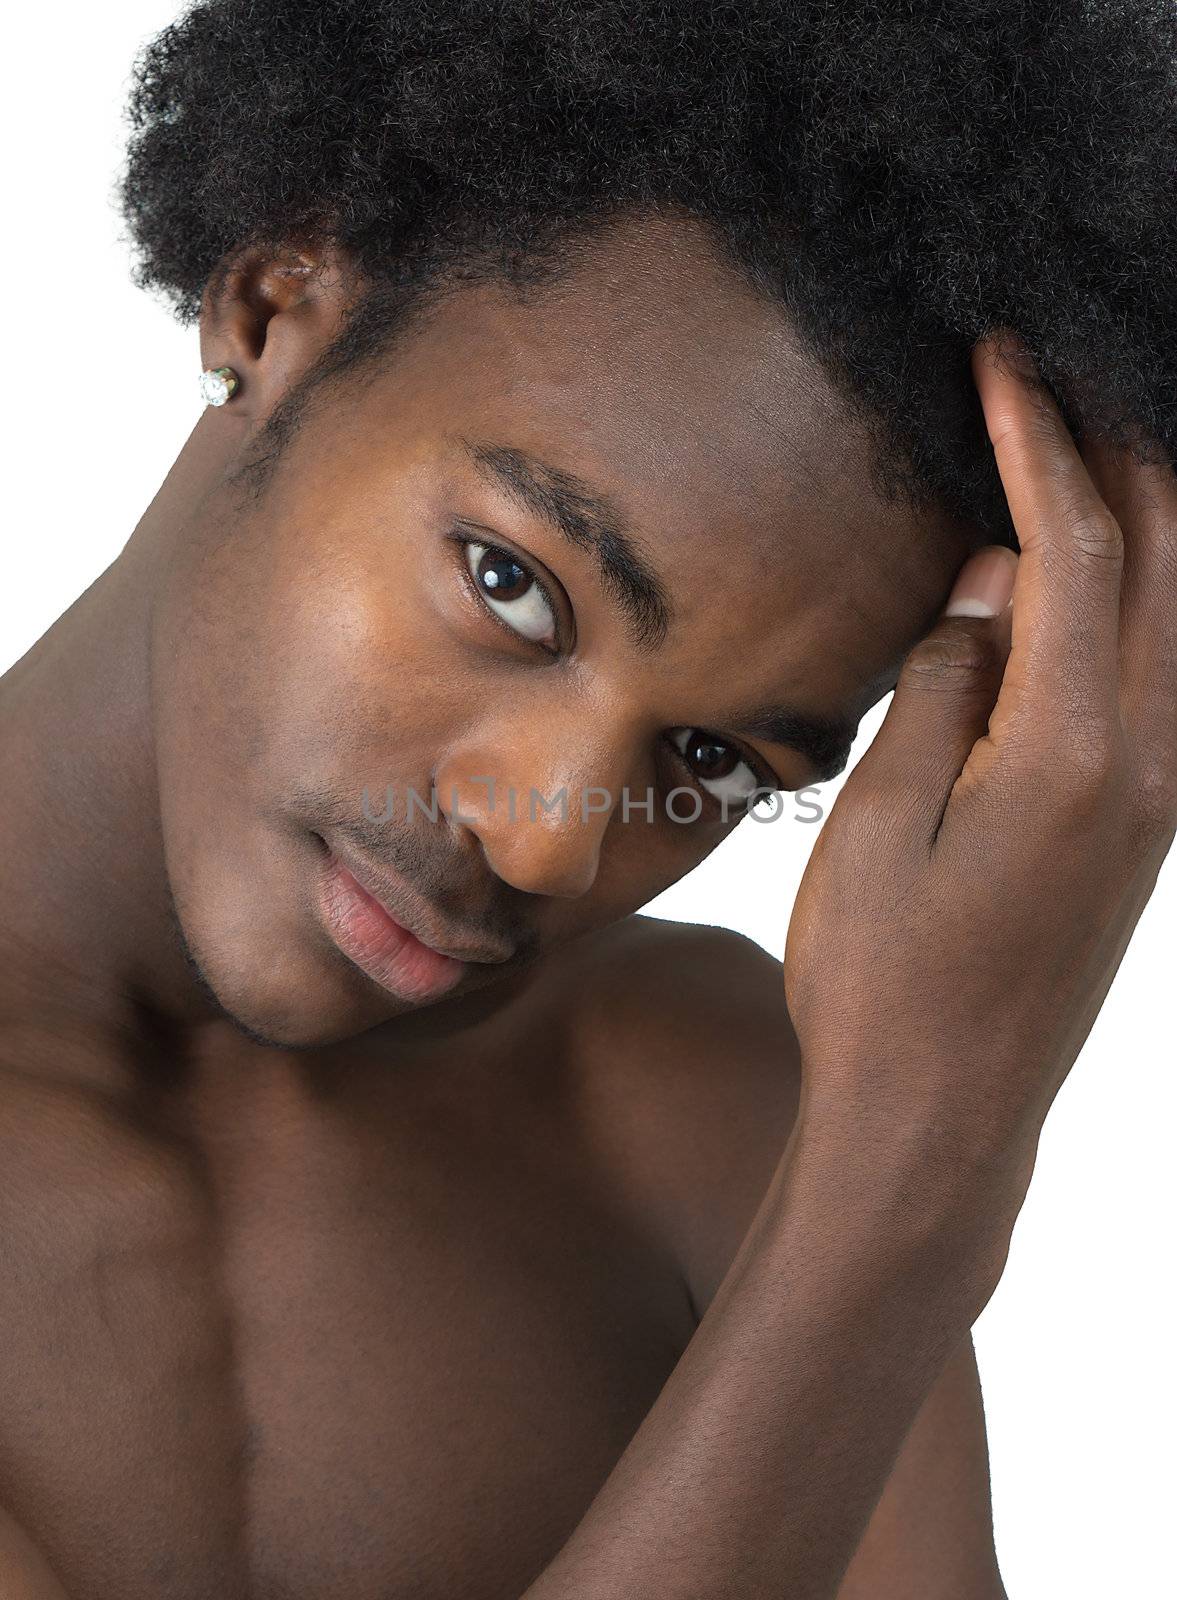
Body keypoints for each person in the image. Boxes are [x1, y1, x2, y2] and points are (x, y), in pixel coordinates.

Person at [1, 1, 1173, 1595]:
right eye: (514, 588)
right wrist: (901, 1204)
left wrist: (877, 1158)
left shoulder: (713, 1111)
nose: (551, 837)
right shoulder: (859, 1180)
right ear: (275, 302)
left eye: (712, 762)